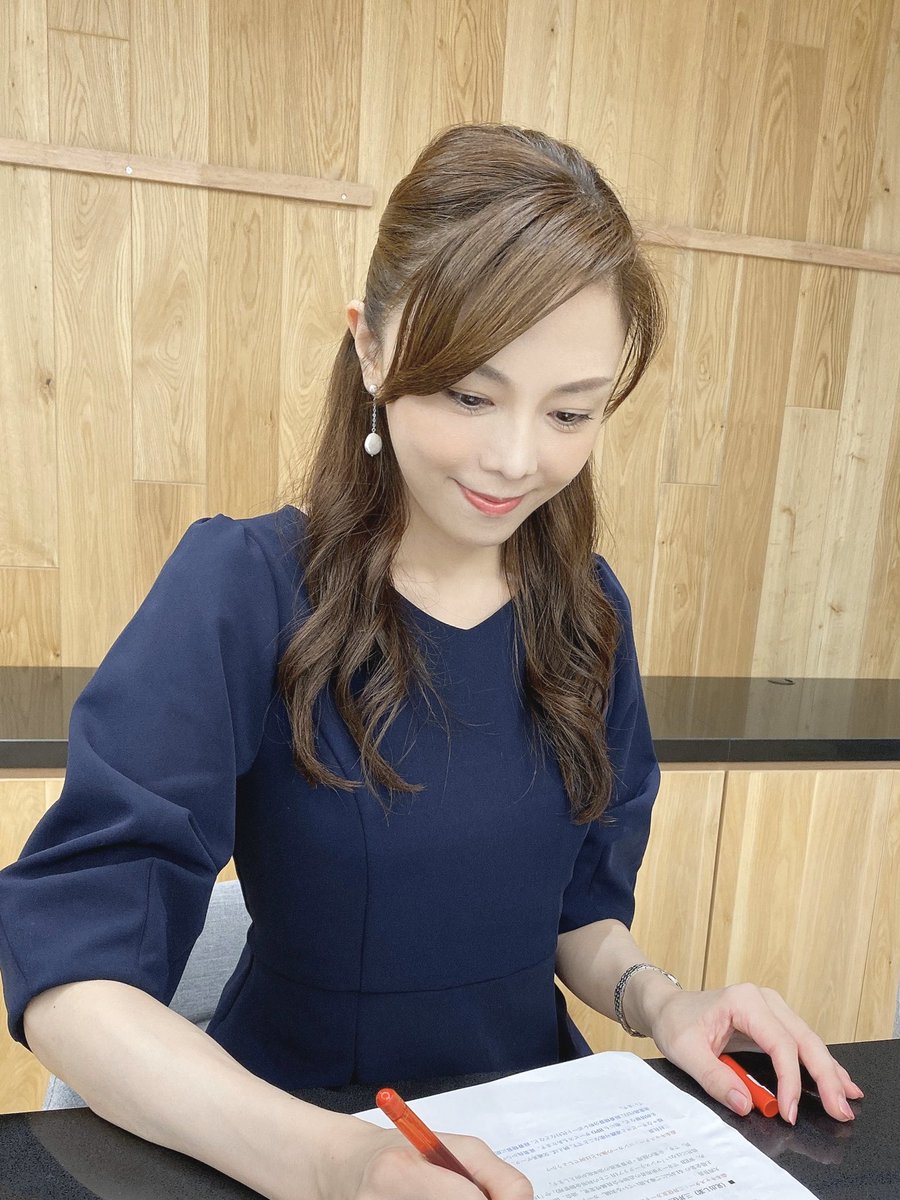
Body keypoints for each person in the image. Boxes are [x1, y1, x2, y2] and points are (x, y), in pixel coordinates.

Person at [0, 123, 861, 1200]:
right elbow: (74, 981)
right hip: (299, 1134)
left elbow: (576, 918)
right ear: (370, 349)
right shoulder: (244, 589)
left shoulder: (588, 613)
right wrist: (337, 1163)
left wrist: (663, 1001)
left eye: (570, 412)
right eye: (470, 395)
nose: (516, 458)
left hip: (546, 1128)